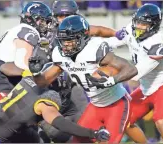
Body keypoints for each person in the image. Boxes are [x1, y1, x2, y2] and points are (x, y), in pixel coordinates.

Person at [28, 15, 138, 143]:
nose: (66, 45)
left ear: (82, 38)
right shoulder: (60, 55)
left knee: (108, 141)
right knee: (78, 141)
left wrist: (111, 80)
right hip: (95, 106)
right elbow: (43, 82)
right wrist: (35, 72)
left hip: (116, 104)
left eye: (70, 40)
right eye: (63, 41)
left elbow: (131, 69)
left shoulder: (94, 50)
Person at [0, 76, 110, 143]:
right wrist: (92, 133)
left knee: (37, 138)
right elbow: (60, 123)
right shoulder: (45, 100)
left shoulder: (28, 78)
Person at [0, 1, 52, 113]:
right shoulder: (29, 31)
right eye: (44, 20)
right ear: (33, 19)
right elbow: (21, 63)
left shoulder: (16, 29)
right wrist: (40, 76)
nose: (46, 25)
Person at [117, 3, 163, 142]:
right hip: (146, 88)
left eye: (144, 24)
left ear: (154, 25)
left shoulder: (158, 41)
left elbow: (141, 69)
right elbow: (115, 39)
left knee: (161, 121)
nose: (139, 26)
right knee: (122, 120)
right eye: (138, 22)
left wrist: (114, 79)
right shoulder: (132, 30)